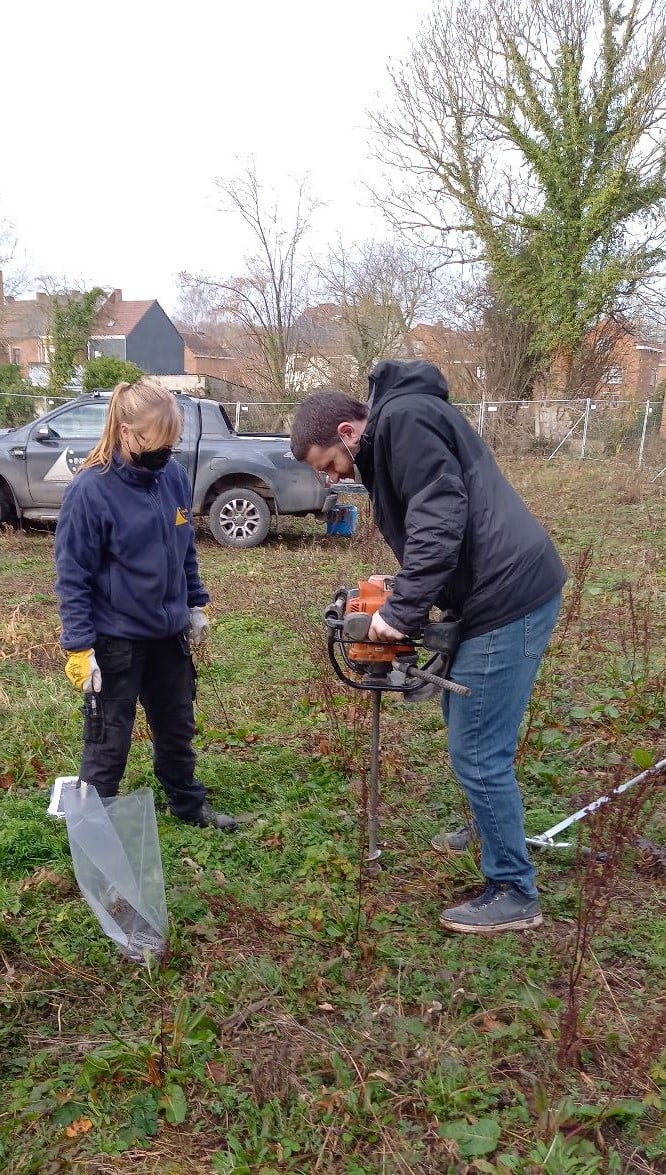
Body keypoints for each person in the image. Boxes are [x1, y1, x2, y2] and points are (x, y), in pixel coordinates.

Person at [291, 360, 567, 934]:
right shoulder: (400, 423)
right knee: (463, 719)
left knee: (476, 748)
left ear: (347, 432)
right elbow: (437, 522)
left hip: (508, 594)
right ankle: (489, 825)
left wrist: (401, 611)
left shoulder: (404, 420)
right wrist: (408, 583)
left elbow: (441, 515)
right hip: (490, 590)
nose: (331, 478)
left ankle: (514, 889)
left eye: (330, 465)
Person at [54, 379, 237, 831]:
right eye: (156, 443)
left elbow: (184, 546)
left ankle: (188, 807)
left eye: (170, 445)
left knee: (177, 726)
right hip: (115, 641)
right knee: (108, 740)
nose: (164, 453)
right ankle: (94, 830)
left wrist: (195, 601)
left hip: (167, 634)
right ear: (125, 432)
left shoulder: (171, 476)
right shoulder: (89, 492)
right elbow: (72, 576)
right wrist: (79, 646)